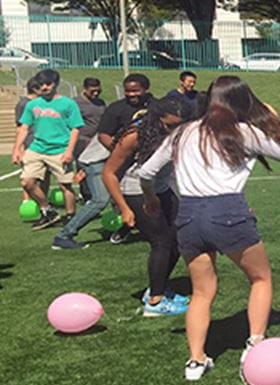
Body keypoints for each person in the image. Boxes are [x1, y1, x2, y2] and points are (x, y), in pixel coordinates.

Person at [137, 75, 280, 381]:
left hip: (188, 214)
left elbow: (146, 172)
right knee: (261, 279)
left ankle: (195, 362)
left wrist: (151, 201)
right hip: (228, 211)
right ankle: (254, 345)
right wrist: (272, 121)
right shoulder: (246, 132)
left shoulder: (183, 132)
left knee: (201, 292)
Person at [100, 97, 188, 315]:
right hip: (135, 192)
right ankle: (155, 303)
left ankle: (157, 289)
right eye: (170, 125)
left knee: (178, 240)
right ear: (157, 119)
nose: (174, 130)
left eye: (180, 125)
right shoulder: (134, 136)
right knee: (161, 242)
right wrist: (124, 208)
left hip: (161, 189)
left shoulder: (181, 134)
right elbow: (108, 173)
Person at [11, 69, 81, 229]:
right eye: (41, 84)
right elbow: (24, 127)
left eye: (48, 84)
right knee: (27, 182)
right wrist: (17, 149)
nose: (44, 87)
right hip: (37, 148)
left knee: (65, 185)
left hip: (60, 149)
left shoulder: (68, 104)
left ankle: (71, 216)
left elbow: (76, 128)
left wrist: (69, 151)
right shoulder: (33, 104)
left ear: (56, 84)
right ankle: (47, 210)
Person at [50, 78, 113, 249]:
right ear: (84, 89)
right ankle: (65, 234)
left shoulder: (101, 103)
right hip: (87, 148)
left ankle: (125, 226)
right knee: (99, 198)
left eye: (98, 89)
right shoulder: (75, 104)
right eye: (92, 89)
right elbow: (68, 125)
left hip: (102, 148)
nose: (96, 92)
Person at [94, 73, 154, 244]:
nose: (131, 94)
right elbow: (103, 134)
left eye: (136, 91)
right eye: (128, 91)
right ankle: (127, 224)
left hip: (151, 157)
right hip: (124, 159)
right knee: (123, 193)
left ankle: (150, 223)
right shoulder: (116, 108)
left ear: (145, 89)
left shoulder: (157, 106)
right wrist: (118, 151)